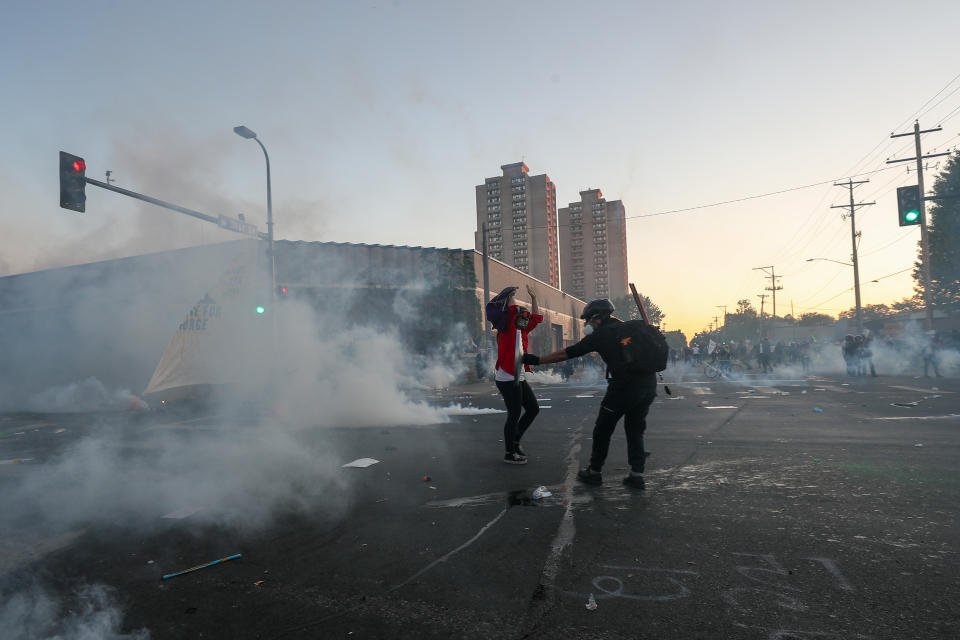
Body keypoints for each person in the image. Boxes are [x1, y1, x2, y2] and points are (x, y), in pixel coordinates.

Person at [521, 298, 656, 489]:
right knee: (635, 429)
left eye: (588, 320)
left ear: (597, 318)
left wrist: (537, 360)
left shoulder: (601, 335)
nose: (586, 324)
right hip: (648, 385)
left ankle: (594, 472)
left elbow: (569, 352)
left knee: (602, 429)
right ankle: (636, 475)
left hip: (624, 388)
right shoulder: (626, 328)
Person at [488, 285, 543, 464]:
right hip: (507, 376)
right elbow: (512, 309)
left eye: (525, 316)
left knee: (533, 408)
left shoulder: (523, 330)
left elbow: (536, 318)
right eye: (522, 314)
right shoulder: (508, 328)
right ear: (514, 315)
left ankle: (515, 440)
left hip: (517, 375)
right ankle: (509, 453)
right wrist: (510, 294)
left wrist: (534, 299)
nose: (525, 317)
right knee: (514, 413)